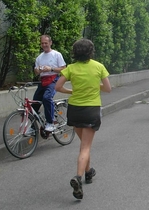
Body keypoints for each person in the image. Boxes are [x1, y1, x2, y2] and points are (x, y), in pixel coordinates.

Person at [55, 39, 111, 200]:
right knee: (85, 148)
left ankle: (88, 173)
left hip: (74, 110)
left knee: (84, 145)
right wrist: (95, 85)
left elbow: (57, 87)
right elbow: (108, 88)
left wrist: (70, 92)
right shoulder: (98, 66)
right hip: (91, 110)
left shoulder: (70, 68)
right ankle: (78, 177)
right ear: (91, 51)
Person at [33, 35, 66, 132]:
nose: (44, 45)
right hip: (43, 80)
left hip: (53, 79)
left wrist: (50, 69)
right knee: (34, 104)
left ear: (50, 43)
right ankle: (32, 128)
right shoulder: (39, 57)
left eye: (46, 43)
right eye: (42, 43)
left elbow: (64, 69)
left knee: (47, 98)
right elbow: (36, 71)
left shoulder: (57, 54)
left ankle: (50, 122)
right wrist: (38, 70)